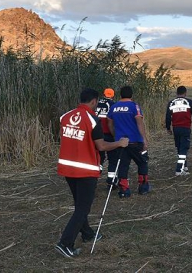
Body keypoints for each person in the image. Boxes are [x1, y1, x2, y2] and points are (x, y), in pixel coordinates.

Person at [56, 88, 129, 258]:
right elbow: (102, 146)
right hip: (85, 169)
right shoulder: (92, 119)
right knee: (83, 208)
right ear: (94, 101)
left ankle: (87, 233)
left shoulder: (65, 117)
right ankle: (65, 243)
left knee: (79, 204)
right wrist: (120, 143)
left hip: (67, 167)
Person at [107, 85, 150, 198]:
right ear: (131, 95)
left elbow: (109, 124)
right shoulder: (134, 106)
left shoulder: (114, 107)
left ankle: (124, 189)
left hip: (121, 142)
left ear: (120, 95)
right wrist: (144, 138)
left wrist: (115, 136)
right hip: (135, 141)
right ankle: (143, 186)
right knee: (142, 162)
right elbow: (139, 122)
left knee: (123, 166)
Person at [165, 85, 192, 176]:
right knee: (184, 149)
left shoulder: (171, 103)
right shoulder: (189, 102)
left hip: (176, 128)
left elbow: (168, 117)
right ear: (185, 93)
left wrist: (168, 128)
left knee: (180, 148)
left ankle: (185, 166)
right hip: (185, 128)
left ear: (177, 93)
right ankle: (179, 170)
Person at [95, 88, 119, 187]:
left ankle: (94, 177)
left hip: (96, 134)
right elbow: (114, 120)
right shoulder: (112, 104)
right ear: (113, 95)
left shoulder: (96, 103)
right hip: (108, 134)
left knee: (98, 157)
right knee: (113, 157)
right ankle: (111, 180)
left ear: (103, 94)